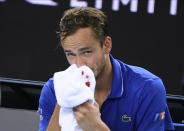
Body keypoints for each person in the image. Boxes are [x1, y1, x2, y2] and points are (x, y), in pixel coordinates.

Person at [38, 7, 175, 131]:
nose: (79, 64)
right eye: (71, 54)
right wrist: (64, 101)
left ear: (106, 45)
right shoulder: (53, 89)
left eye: (87, 52)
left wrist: (96, 128)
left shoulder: (147, 88)